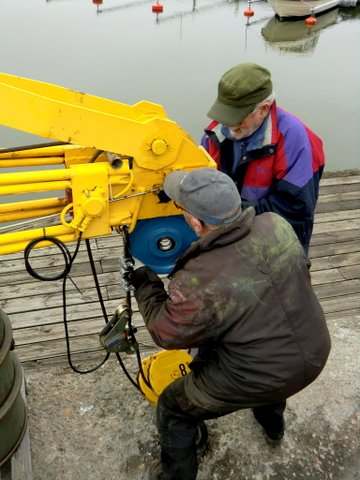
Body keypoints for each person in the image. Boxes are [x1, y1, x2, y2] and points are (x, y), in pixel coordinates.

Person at [128, 168, 331, 480]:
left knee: (173, 407)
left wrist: (144, 280)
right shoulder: (276, 224)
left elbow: (165, 332)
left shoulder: (201, 279)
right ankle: (273, 427)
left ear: (195, 222)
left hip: (261, 374)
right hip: (313, 350)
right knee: (272, 365)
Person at [201, 63, 325, 254]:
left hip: (278, 244)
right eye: (226, 115)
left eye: (238, 117)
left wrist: (233, 215)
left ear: (264, 109)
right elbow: (203, 180)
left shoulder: (297, 141)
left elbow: (295, 208)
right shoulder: (217, 132)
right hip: (231, 237)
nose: (230, 125)